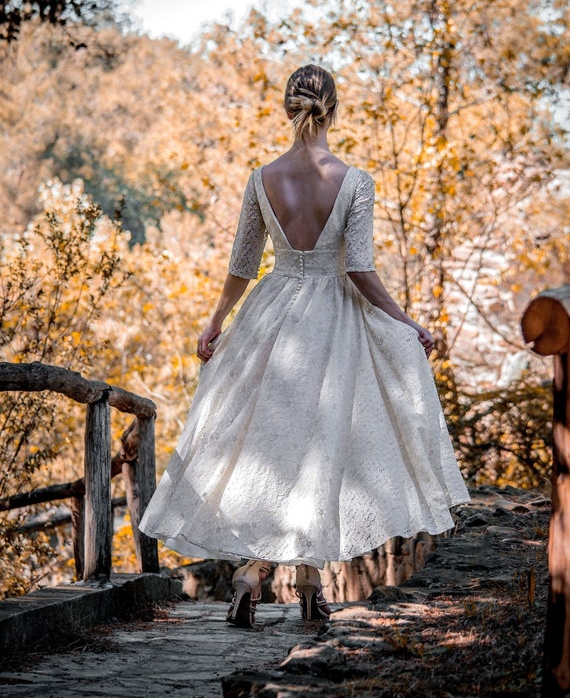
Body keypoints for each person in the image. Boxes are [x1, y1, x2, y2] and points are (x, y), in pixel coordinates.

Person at [139, 64, 470, 628]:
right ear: (334, 109)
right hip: (335, 319)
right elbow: (360, 269)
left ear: (286, 108)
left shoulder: (261, 178)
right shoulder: (355, 180)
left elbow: (243, 265)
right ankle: (309, 585)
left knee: (277, 447)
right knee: (323, 450)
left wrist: (216, 320)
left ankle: (257, 576)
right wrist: (406, 321)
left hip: (272, 317)